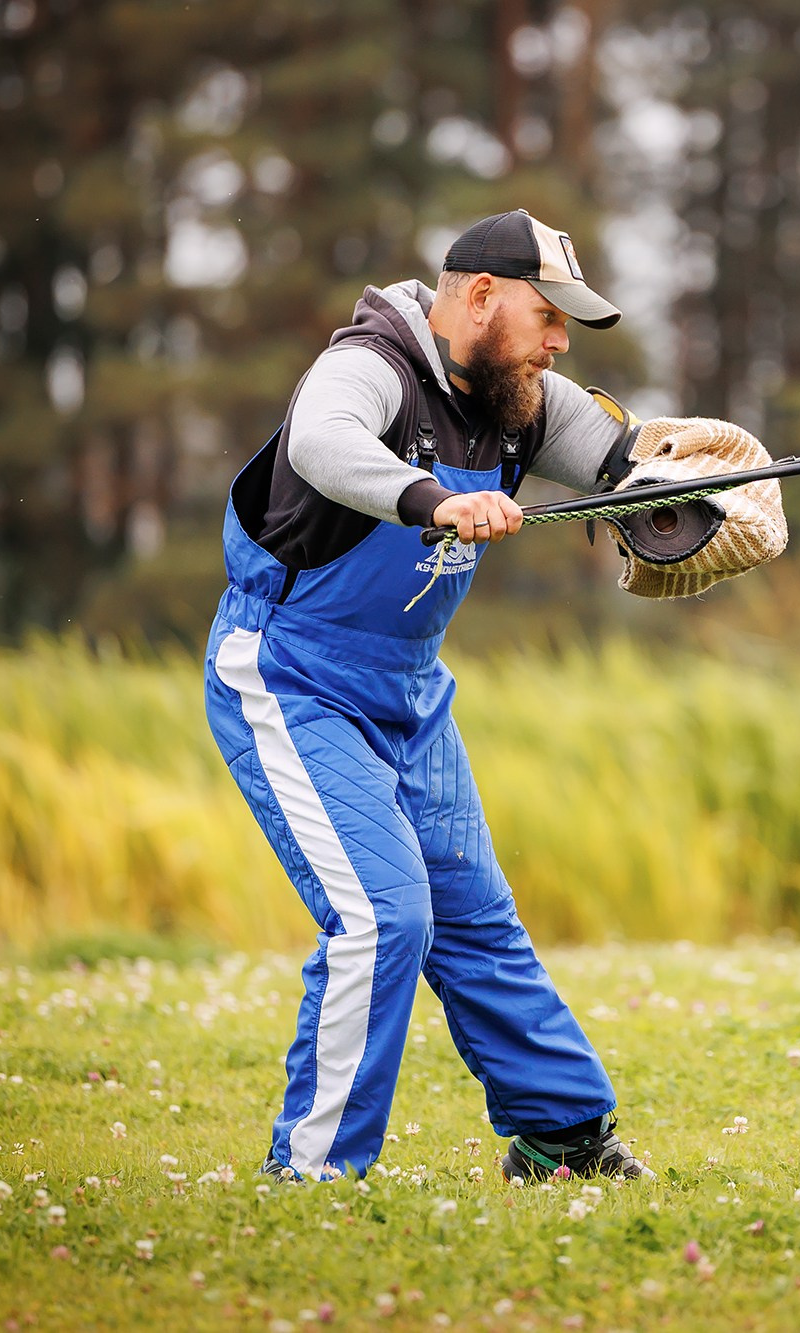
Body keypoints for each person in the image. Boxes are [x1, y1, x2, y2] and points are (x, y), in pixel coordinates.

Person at [202, 210, 649, 1183]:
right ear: (478, 295)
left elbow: (635, 467)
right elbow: (323, 444)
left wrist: (695, 488)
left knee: (473, 914)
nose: (560, 342)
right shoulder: (368, 366)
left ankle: (559, 1137)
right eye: (548, 314)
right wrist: (431, 498)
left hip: (408, 690)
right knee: (381, 917)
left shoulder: (518, 398)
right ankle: (313, 1176)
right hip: (290, 674)